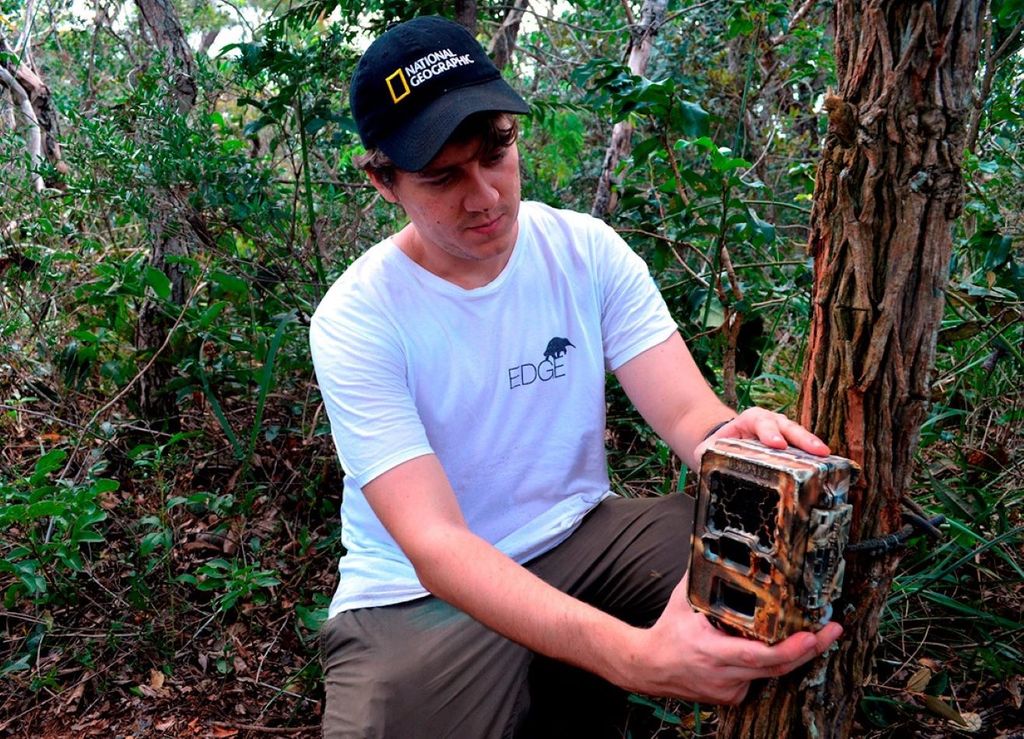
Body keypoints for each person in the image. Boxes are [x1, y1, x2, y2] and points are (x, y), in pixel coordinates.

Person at [310, 15, 842, 738]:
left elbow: (693, 418)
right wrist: (633, 657)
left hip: (580, 537)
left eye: (496, 150)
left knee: (764, 550)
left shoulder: (585, 252)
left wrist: (740, 443)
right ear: (383, 182)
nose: (486, 195)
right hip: (417, 596)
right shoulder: (360, 316)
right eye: (442, 176)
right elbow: (435, 543)